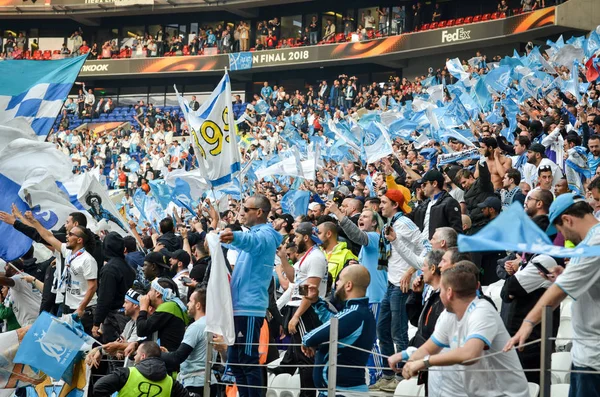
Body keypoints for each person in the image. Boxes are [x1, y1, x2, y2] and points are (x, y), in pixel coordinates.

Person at [505, 193, 600, 396]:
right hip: (585, 356)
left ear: (567, 220)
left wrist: (528, 323)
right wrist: (564, 275)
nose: (562, 237)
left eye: (559, 230)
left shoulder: (594, 244)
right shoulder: (589, 243)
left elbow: (558, 292)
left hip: (593, 361)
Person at [390, 262, 529, 397]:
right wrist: (410, 361)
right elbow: (428, 348)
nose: (439, 294)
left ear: (449, 292)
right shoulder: (448, 315)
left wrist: (425, 362)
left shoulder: (482, 311)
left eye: (441, 289)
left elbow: (470, 354)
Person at [219, 195, 282, 397]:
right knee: (236, 363)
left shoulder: (266, 234)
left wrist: (235, 236)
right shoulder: (255, 234)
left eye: (246, 209)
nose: (242, 213)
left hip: (250, 307)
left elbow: (251, 242)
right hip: (240, 306)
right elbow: (241, 244)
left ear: (259, 212)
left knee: (248, 361)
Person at [371, 188, 431, 392]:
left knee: (398, 332)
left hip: (402, 284)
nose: (380, 206)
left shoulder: (405, 223)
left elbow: (426, 248)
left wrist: (411, 271)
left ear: (395, 205)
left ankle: (405, 376)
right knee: (382, 329)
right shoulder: (390, 224)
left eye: (384, 202)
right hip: (391, 282)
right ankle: (389, 374)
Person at [301, 265, 376, 395]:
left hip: (343, 391)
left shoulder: (354, 313)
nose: (336, 283)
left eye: (339, 280)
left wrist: (310, 341)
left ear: (348, 285)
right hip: (342, 390)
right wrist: (316, 302)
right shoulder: (359, 312)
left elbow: (310, 337)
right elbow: (334, 324)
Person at [24, 212, 98, 334]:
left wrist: (81, 308)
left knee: (82, 347)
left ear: (79, 240)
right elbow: (48, 236)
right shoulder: (68, 252)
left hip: (85, 310)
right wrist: (33, 221)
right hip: (68, 306)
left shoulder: (87, 260)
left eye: (70, 234)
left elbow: (92, 286)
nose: (67, 236)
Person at [276, 222, 327, 397]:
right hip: (297, 307)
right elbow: (293, 279)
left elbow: (311, 290)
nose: (294, 239)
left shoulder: (316, 258)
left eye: (297, 236)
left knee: (306, 356)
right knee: (300, 355)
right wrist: (283, 258)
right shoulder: (307, 256)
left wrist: (297, 316)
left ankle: (308, 394)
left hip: (306, 310)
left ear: (306, 237)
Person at [500, 255, 560, 385]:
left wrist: (519, 269)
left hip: (533, 344)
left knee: (532, 387)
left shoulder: (543, 260)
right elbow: (505, 294)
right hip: (518, 341)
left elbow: (510, 287)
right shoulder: (526, 262)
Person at [161, 286, 217, 396]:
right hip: (209, 381)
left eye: (190, 301)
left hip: (196, 384)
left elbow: (177, 357)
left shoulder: (196, 327)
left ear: (198, 305)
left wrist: (156, 354)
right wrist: (167, 354)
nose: (187, 304)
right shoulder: (212, 324)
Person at [93, 340, 190, 397]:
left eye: (137, 354)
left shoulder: (126, 373)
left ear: (143, 356)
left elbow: (99, 387)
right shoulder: (171, 383)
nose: (134, 357)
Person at [93, 232, 136, 343]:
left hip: (115, 319)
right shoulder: (128, 267)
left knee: (114, 352)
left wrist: (97, 323)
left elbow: (105, 298)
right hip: (127, 315)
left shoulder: (109, 269)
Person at [129, 278, 188, 353]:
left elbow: (142, 330)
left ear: (157, 293)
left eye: (150, 290)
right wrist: (137, 343)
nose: (148, 294)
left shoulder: (168, 307)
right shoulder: (169, 307)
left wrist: (143, 308)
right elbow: (153, 337)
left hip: (167, 357)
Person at [411, 170, 462, 240]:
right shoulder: (425, 203)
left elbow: (456, 231)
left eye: (424, 184)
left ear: (434, 183)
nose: (422, 188)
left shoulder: (449, 202)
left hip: (439, 247)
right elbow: (410, 216)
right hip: (423, 247)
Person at [0, 259, 42, 327]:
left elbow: (6, 280)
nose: (5, 267)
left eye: (7, 265)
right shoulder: (25, 276)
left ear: (13, 269)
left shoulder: (19, 278)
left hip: (32, 322)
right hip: (37, 318)